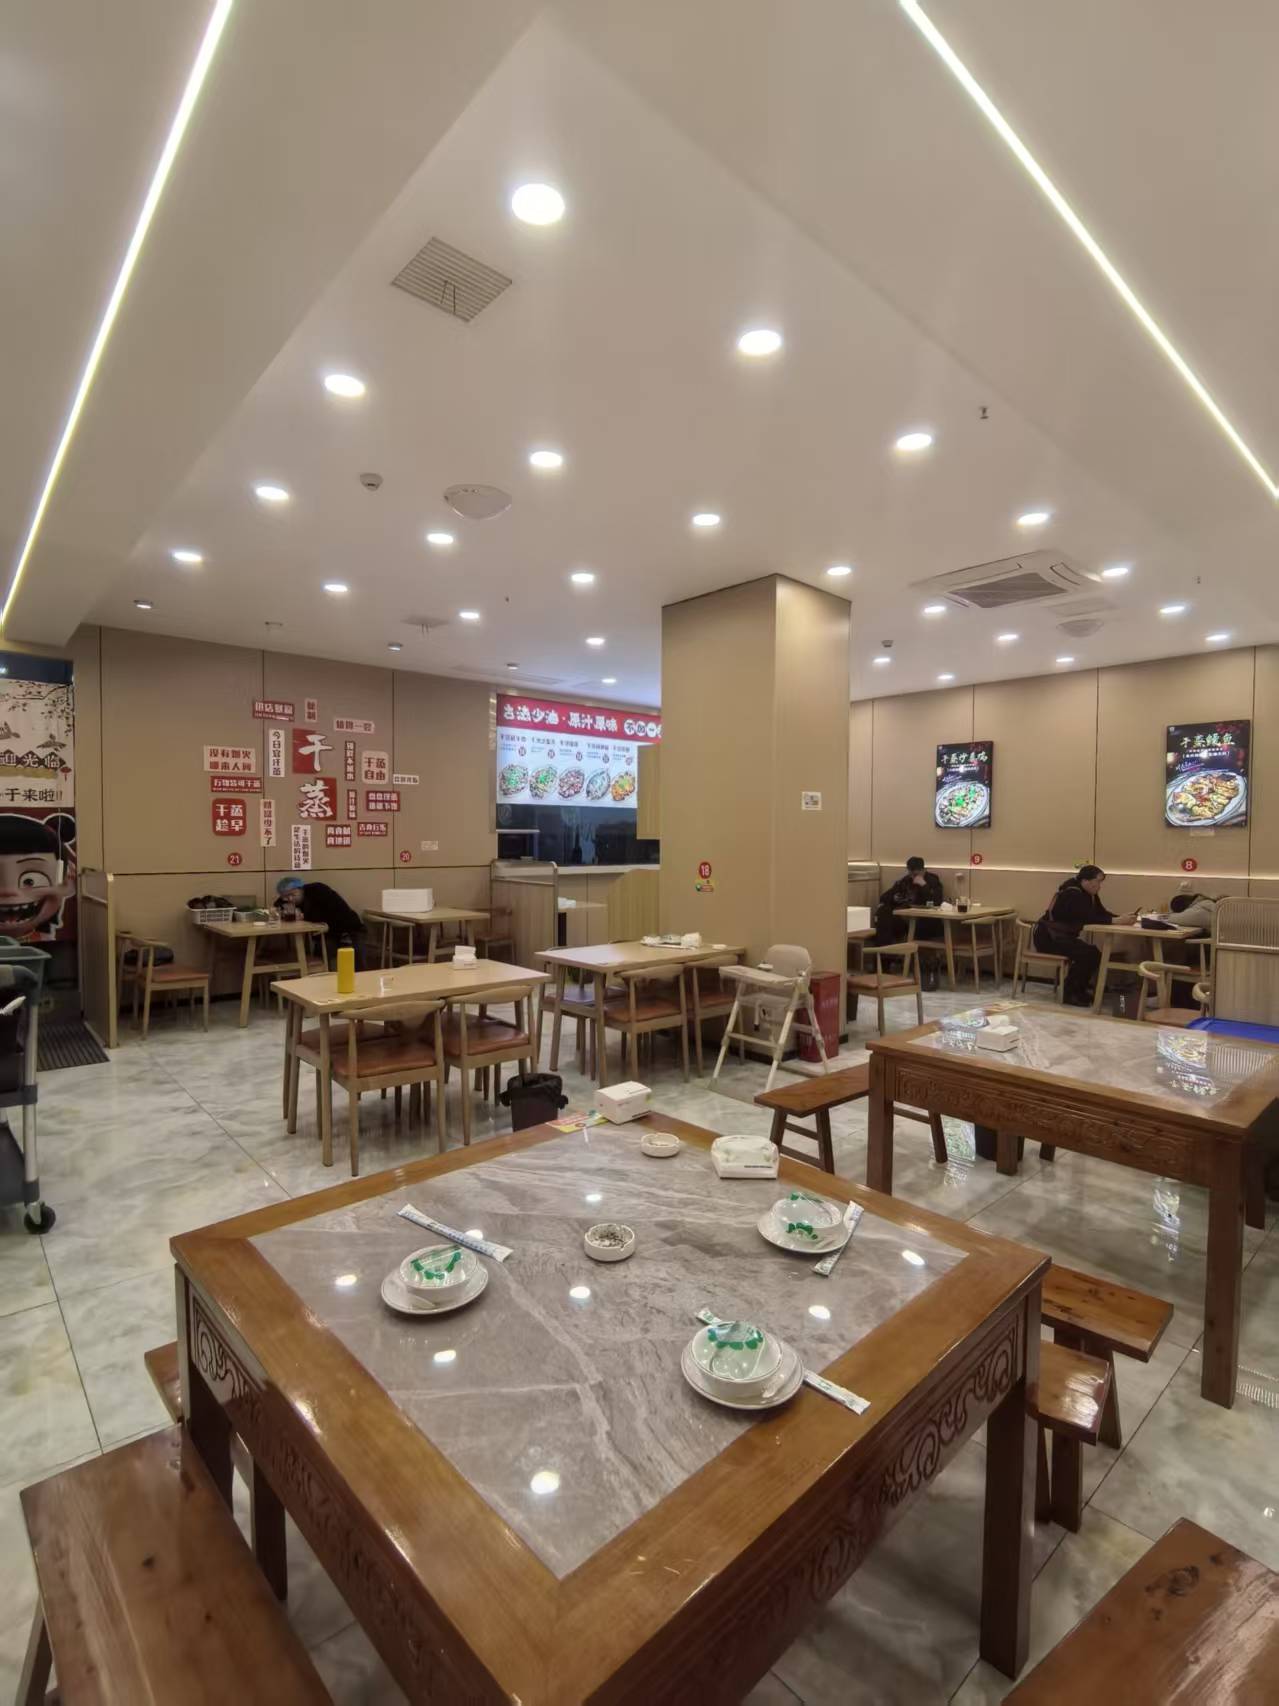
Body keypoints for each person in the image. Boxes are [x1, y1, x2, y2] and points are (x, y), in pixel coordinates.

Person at [1034, 866, 1136, 1007]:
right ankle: (1070, 993)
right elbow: (1086, 917)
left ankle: (1078, 989)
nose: (1099, 886)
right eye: (1097, 881)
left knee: (1092, 953)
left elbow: (1101, 913)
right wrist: (1116, 920)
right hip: (1049, 938)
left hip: (1062, 937)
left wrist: (1121, 918)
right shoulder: (1072, 893)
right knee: (1089, 954)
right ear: (1086, 881)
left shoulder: (1089, 894)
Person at [275, 876, 366, 958]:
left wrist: (305, 916)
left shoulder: (318, 890)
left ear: (301, 889)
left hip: (348, 927)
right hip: (327, 933)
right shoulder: (287, 899)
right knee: (322, 950)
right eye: (285, 896)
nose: (290, 899)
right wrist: (284, 910)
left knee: (356, 954)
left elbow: (339, 912)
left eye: (293, 894)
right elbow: (278, 904)